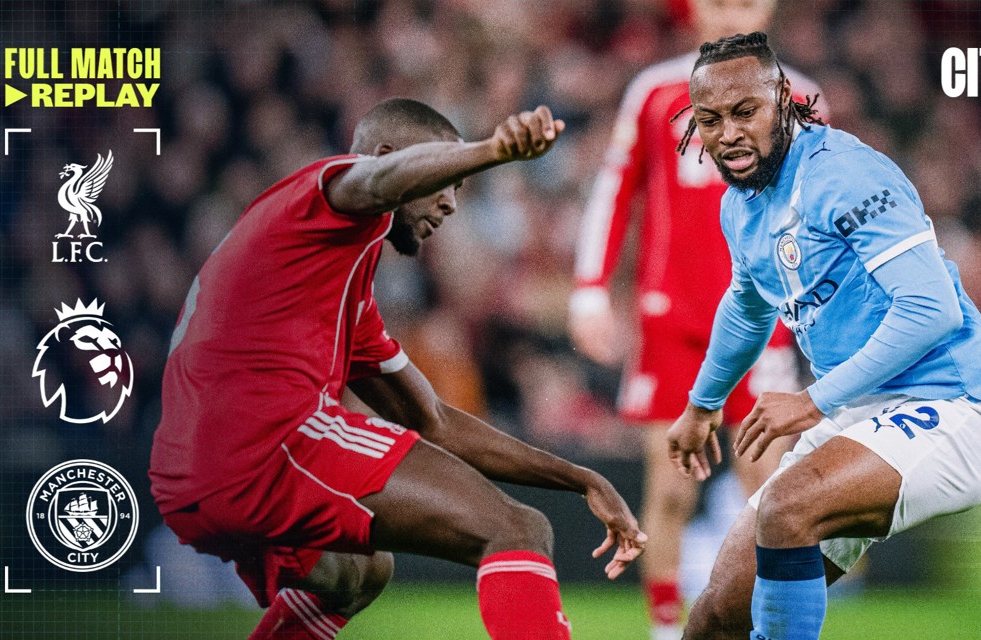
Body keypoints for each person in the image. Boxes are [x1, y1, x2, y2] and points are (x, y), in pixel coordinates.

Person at [149, 98, 646, 640]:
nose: (453, 203)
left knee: (357, 571)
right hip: (263, 443)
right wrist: (489, 151)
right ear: (387, 156)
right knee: (517, 528)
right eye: (448, 178)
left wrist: (580, 478)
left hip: (190, 474)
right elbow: (377, 178)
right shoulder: (325, 188)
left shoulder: (338, 284)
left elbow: (432, 419)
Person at [665, 33, 981, 640]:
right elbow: (748, 306)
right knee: (717, 615)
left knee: (787, 508)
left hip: (954, 403)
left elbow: (930, 309)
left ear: (783, 98)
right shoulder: (741, 203)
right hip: (862, 413)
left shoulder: (847, 174)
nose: (727, 133)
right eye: (710, 119)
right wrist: (702, 405)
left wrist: (811, 403)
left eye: (744, 112)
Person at [569, 1, 824, 636]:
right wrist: (590, 288)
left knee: (770, 492)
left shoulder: (802, 95)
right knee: (673, 485)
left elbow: (821, 212)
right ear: (693, 10)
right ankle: (664, 628)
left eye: (746, 0)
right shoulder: (654, 91)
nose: (733, 12)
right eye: (719, 0)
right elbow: (615, 187)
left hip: (767, 320)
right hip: (674, 318)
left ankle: (770, 625)